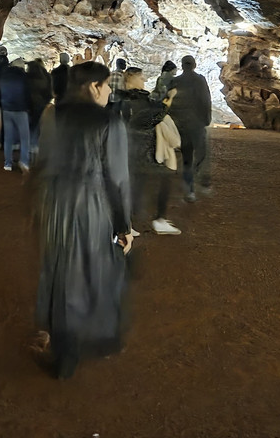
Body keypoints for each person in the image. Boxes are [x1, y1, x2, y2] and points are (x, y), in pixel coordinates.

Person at [33, 60, 132, 379]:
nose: (109, 92)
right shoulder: (109, 121)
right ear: (93, 86)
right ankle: (98, 340)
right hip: (91, 205)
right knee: (94, 270)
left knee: (60, 272)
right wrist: (124, 226)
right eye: (107, 85)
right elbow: (117, 179)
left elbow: (43, 162)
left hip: (54, 205)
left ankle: (64, 351)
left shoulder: (52, 114)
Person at [120, 68, 180, 235]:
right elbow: (153, 117)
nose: (144, 79)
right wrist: (168, 101)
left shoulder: (127, 98)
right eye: (141, 77)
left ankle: (129, 224)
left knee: (136, 185)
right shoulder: (135, 98)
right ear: (131, 78)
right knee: (163, 177)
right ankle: (157, 220)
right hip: (139, 148)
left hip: (135, 147)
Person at [168, 55, 212, 202]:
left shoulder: (175, 81)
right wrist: (206, 119)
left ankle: (189, 190)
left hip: (182, 125)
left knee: (186, 157)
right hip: (197, 124)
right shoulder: (200, 80)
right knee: (201, 153)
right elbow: (205, 100)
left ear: (182, 66)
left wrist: (174, 122)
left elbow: (169, 102)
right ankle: (201, 180)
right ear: (194, 65)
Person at [0, 57, 33, 172]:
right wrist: (29, 107)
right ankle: (24, 161)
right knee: (24, 138)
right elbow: (28, 94)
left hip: (6, 109)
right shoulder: (25, 77)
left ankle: (7, 163)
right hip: (20, 110)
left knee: (8, 138)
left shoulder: (4, 76)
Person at [26, 58, 53, 160]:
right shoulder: (47, 76)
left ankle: (28, 145)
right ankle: (34, 144)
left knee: (29, 124)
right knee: (37, 124)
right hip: (41, 103)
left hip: (28, 104)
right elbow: (49, 91)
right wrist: (46, 101)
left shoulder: (27, 76)